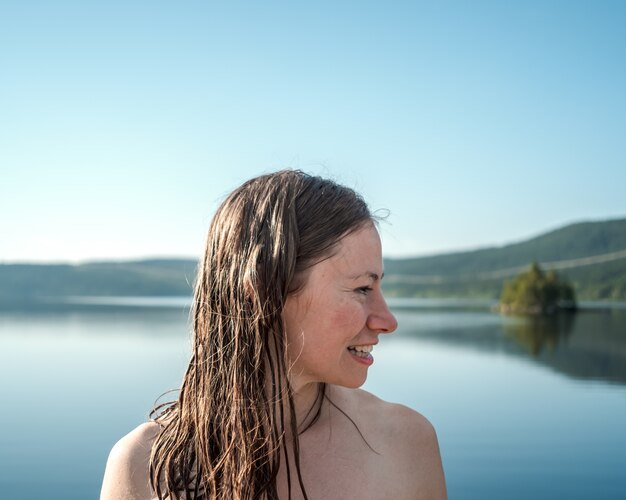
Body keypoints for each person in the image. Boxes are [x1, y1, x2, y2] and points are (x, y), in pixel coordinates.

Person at [100, 170, 447, 499]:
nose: (387, 320)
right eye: (361, 288)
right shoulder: (144, 466)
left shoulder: (405, 444)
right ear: (266, 290)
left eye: (378, 287)